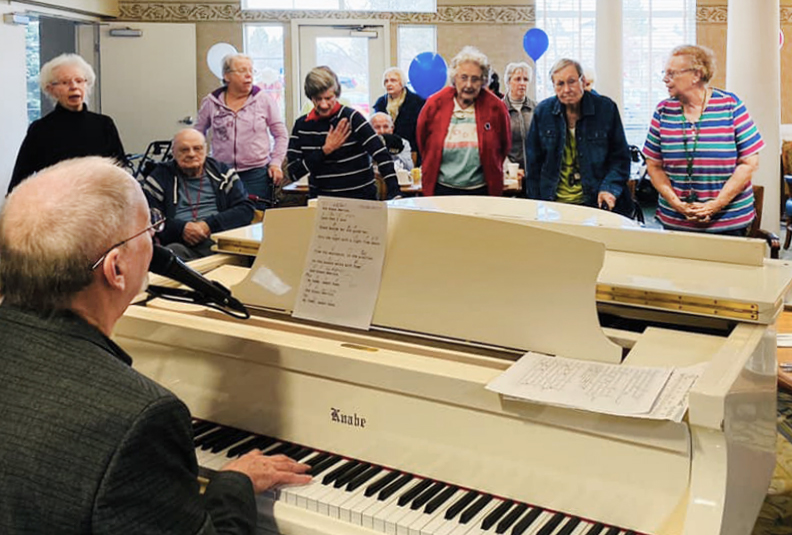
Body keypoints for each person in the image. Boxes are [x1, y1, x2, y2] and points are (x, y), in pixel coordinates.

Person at [0, 156, 311, 534]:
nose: (155, 242)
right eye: (149, 230)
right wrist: (233, 484)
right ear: (116, 269)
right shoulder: (136, 417)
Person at [643, 44, 764, 234]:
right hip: (676, 220)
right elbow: (654, 166)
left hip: (728, 220)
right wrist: (677, 204)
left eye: (672, 74)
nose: (665, 79)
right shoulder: (663, 111)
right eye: (664, 73)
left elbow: (749, 163)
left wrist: (715, 205)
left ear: (696, 75)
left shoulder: (730, 105)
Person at [525, 58, 633, 216]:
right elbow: (533, 165)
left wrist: (608, 189)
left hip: (596, 202)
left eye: (571, 81)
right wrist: (536, 204)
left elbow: (621, 159)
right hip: (553, 204)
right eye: (560, 84)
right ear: (554, 87)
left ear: (583, 81)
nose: (567, 89)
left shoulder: (606, 109)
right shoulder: (542, 112)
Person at [9, 53, 126, 194]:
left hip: (99, 204)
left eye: (79, 80)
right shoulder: (40, 129)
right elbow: (19, 180)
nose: (74, 87)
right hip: (57, 206)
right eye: (65, 82)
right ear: (50, 89)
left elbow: (121, 171)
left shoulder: (104, 124)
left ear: (87, 85)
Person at [286, 66, 399, 200]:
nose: (323, 105)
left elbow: (381, 154)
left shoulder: (353, 119)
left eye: (328, 98)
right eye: (318, 99)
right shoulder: (301, 126)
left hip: (361, 199)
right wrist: (325, 150)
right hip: (324, 203)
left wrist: (395, 192)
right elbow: (293, 173)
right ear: (311, 97)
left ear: (337, 94)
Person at [142, 129, 255, 260]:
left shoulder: (223, 173)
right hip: (179, 244)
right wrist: (181, 229)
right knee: (169, 255)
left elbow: (246, 210)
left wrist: (209, 225)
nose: (191, 154)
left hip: (219, 240)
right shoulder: (160, 177)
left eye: (197, 148)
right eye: (184, 150)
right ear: (173, 152)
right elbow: (148, 217)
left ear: (206, 150)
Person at [416, 46, 511, 196]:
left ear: (483, 81)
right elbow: (423, 142)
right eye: (464, 77)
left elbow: (504, 146)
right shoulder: (434, 104)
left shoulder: (496, 107)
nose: (468, 85)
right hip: (441, 190)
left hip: (481, 191)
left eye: (475, 79)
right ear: (454, 78)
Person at [195, 53, 288, 203]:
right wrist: (199, 161)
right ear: (227, 76)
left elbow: (281, 135)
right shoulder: (211, 102)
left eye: (251, 71)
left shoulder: (264, 100)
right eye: (242, 71)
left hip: (256, 173)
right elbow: (197, 133)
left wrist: (276, 163)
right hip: (221, 173)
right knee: (224, 220)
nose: (249, 75)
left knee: (255, 219)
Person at [373, 67, 426, 165]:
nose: (389, 84)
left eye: (393, 80)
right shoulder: (380, 103)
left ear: (402, 83)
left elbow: (422, 129)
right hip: (385, 150)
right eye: (386, 81)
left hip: (411, 150)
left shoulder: (417, 102)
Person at [502, 62, 537, 178]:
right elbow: (495, 145)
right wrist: (508, 167)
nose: (522, 83)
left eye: (525, 79)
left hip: (534, 173)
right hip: (510, 173)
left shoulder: (536, 108)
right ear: (508, 82)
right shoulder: (499, 109)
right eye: (517, 79)